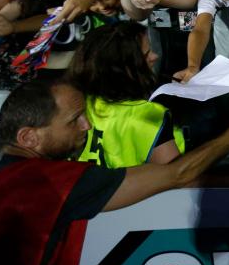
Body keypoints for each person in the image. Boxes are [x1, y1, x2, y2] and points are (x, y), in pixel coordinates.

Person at [0, 79, 229, 265]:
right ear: (29, 138)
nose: (85, 126)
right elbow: (175, 174)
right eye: (73, 120)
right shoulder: (55, 181)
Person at [68, 21, 185, 167]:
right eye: (146, 54)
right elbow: (177, 176)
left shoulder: (79, 104)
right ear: (121, 70)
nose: (155, 56)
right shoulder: (147, 115)